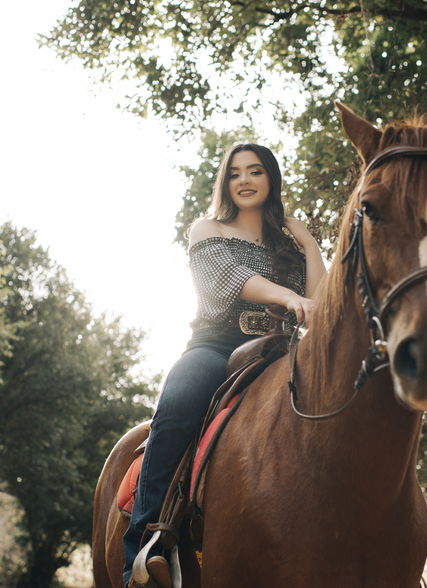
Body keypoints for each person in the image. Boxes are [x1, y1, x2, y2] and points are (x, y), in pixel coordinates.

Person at [122, 143, 325, 588]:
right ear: (225, 183)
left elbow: (323, 301)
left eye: (255, 171)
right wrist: (288, 296)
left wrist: (309, 243)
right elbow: (227, 283)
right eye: (235, 174)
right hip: (216, 346)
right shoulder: (206, 229)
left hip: (279, 353)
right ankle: (145, 547)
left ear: (270, 179)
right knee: (178, 403)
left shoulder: (290, 243)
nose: (245, 181)